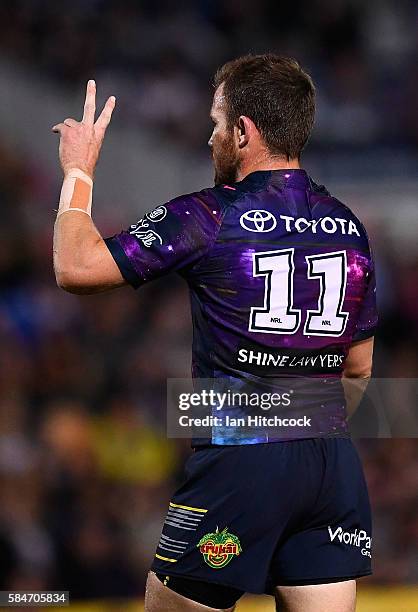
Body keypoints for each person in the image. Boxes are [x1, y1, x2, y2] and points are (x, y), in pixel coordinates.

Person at [52, 54, 377, 612]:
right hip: (331, 466)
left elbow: (75, 267)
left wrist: (78, 173)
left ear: (244, 131)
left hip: (245, 459)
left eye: (216, 123)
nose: (210, 138)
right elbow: (359, 368)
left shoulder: (211, 215)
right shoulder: (348, 225)